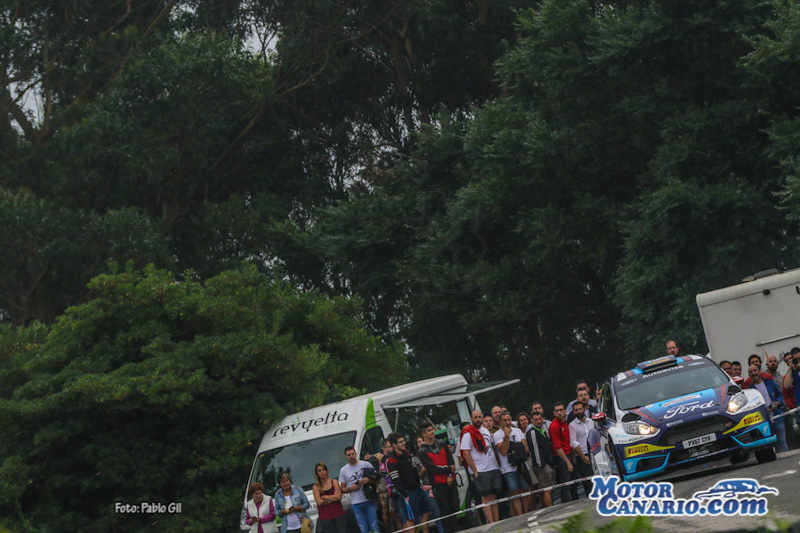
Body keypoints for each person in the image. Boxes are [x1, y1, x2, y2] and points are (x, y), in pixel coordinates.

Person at [460, 409, 502, 523]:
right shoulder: (468, 433)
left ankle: (498, 521)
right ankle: (491, 523)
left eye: (479, 417)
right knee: (486, 497)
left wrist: (498, 465)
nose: (478, 419)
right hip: (480, 469)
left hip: (492, 467)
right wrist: (474, 470)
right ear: (471, 419)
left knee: (494, 496)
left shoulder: (486, 430)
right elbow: (465, 453)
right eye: (476, 417)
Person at [418, 422, 459, 533]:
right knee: (444, 509)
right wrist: (448, 469)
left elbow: (451, 460)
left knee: (455, 505)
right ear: (423, 434)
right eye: (429, 430)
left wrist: (449, 474)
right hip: (438, 483)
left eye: (432, 429)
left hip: (451, 480)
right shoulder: (422, 451)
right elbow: (432, 469)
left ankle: (455, 528)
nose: (432, 432)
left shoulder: (441, 443)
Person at [386, 432, 430, 533]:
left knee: (425, 513)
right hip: (407, 492)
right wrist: (404, 494)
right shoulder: (391, 460)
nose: (404, 443)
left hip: (417, 487)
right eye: (400, 442)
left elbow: (414, 469)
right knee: (411, 518)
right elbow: (395, 479)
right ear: (394, 445)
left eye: (403, 441)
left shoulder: (407, 453)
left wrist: (419, 483)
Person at [744, 365, 788, 453]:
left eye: (755, 370)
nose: (753, 373)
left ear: (760, 372)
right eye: (751, 372)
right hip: (763, 422)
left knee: (782, 441)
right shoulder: (751, 390)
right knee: (767, 445)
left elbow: (780, 395)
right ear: (749, 375)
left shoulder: (770, 383)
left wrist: (777, 403)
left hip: (777, 416)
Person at [493, 411, 530, 516]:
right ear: (500, 421)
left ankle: (527, 513)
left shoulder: (517, 431)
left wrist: (516, 449)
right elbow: (503, 451)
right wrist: (506, 436)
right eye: (504, 420)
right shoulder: (497, 435)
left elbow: (525, 448)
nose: (507, 422)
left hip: (520, 465)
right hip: (508, 468)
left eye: (509, 420)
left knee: (524, 490)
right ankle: (520, 515)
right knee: (515, 492)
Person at [339, 446, 380, 533]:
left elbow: (378, 480)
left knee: (374, 526)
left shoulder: (366, 464)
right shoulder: (343, 470)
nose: (351, 456)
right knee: (363, 528)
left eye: (353, 454)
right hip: (356, 503)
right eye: (349, 455)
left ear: (356, 454)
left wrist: (368, 480)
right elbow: (342, 489)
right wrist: (350, 488)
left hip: (369, 499)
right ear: (346, 457)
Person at [414, 436, 443, 533]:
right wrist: (423, 469)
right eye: (419, 442)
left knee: (444, 511)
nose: (421, 443)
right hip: (427, 488)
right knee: (436, 512)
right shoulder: (415, 460)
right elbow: (417, 476)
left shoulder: (432, 452)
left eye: (422, 440)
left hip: (439, 484)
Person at [526, 412, 555, 508]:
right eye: (536, 420)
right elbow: (535, 449)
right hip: (541, 465)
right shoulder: (533, 432)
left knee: (546, 490)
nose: (538, 421)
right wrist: (541, 464)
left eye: (540, 419)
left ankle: (546, 507)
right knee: (547, 489)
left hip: (548, 463)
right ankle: (550, 509)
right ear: (532, 421)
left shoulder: (542, 431)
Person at [549, 402, 574, 503]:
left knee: (572, 482)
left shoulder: (565, 422)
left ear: (565, 411)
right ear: (554, 413)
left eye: (561, 410)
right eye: (557, 411)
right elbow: (557, 447)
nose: (559, 412)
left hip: (569, 453)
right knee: (566, 484)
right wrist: (567, 462)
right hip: (562, 457)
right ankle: (567, 504)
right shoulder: (554, 426)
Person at [567, 402, 594, 498]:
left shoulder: (591, 421)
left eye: (580, 409)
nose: (579, 411)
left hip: (594, 452)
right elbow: (573, 443)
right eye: (576, 410)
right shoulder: (572, 425)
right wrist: (583, 457)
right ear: (573, 412)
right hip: (582, 455)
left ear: (584, 409)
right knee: (587, 481)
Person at [313, 463, 346, 533]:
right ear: (317, 473)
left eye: (323, 470)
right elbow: (319, 502)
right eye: (319, 471)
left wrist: (325, 497)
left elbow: (338, 496)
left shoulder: (334, 482)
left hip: (338, 514)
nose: (322, 472)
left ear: (327, 471)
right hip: (325, 517)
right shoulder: (315, 487)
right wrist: (333, 498)